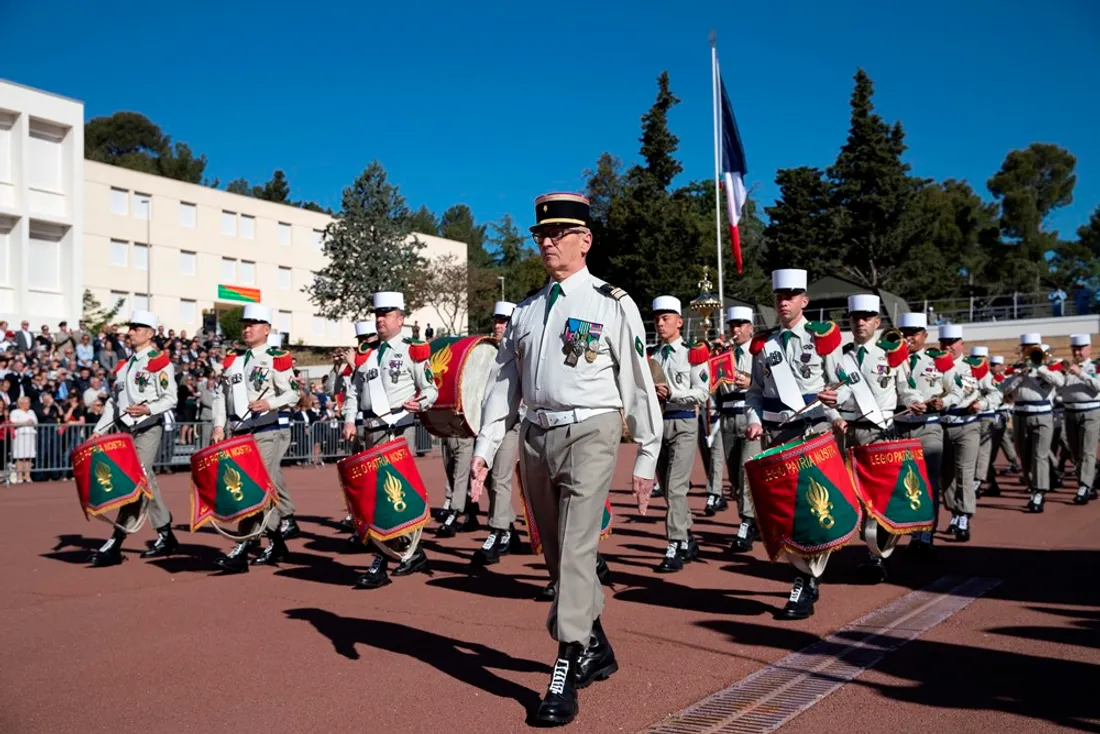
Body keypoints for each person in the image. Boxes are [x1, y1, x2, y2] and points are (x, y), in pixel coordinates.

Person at [470, 192, 661, 727]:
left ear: (585, 240)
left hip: (593, 429)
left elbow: (638, 383)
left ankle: (565, 664)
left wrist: (646, 454)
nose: (548, 242)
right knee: (555, 554)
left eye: (558, 233)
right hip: (535, 434)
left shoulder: (612, 302)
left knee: (578, 548)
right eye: (541, 234)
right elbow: (503, 384)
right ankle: (596, 643)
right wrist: (485, 449)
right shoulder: (527, 310)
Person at [744, 268, 844, 620]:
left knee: (812, 507)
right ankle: (807, 574)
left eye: (791, 296)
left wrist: (835, 396)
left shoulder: (821, 338)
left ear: (804, 300)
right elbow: (754, 393)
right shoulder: (763, 344)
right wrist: (754, 422)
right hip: (776, 436)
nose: (784, 302)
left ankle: (804, 579)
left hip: (812, 432)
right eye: (779, 296)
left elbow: (841, 380)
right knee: (785, 509)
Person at [342, 291, 438, 589]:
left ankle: (382, 560)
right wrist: (349, 419)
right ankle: (412, 552)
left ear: (401, 320)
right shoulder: (367, 352)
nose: (380, 320)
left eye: (387, 315)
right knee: (377, 494)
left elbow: (430, 389)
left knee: (393, 495)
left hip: (398, 426)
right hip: (371, 428)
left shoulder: (413, 351)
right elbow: (355, 392)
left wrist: (419, 403)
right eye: (377, 315)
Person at [834, 295, 923, 579]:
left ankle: (875, 556)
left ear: (877, 322)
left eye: (866, 318)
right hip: (844, 431)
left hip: (879, 431)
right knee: (849, 495)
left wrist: (916, 401)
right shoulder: (839, 355)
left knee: (877, 495)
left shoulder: (891, 354)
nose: (860, 322)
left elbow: (906, 388)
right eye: (855, 318)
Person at [211, 305, 299, 572]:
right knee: (252, 489)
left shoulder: (276, 358)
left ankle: (243, 546)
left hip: (265, 431)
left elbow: (293, 395)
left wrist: (270, 403)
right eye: (245, 324)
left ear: (267, 329)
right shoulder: (233, 359)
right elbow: (219, 397)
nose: (247, 328)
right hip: (237, 433)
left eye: (254, 324)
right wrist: (218, 426)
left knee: (253, 489)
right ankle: (275, 541)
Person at [89, 310, 180, 566]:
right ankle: (166, 534)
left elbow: (171, 398)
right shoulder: (125, 365)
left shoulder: (159, 361)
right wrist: (100, 428)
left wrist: (148, 409)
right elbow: (114, 403)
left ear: (150, 334)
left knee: (135, 481)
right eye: (130, 328)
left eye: (137, 328)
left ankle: (116, 541)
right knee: (146, 480)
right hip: (127, 431)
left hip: (148, 427)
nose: (130, 332)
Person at [650, 295, 709, 573]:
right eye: (657, 319)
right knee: (667, 487)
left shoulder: (692, 353)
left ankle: (674, 543)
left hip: (684, 422)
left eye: (666, 319)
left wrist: (674, 393)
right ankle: (687, 537)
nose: (660, 324)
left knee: (675, 488)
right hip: (659, 424)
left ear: (679, 322)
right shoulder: (654, 355)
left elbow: (703, 392)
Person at [895, 312, 955, 556]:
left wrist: (945, 402)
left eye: (914, 334)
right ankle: (908, 529)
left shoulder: (937, 360)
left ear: (924, 335)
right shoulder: (891, 357)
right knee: (903, 482)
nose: (909, 338)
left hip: (928, 425)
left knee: (928, 481)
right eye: (905, 334)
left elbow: (956, 390)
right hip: (899, 426)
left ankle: (926, 534)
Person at [468, 301, 522, 565]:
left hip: (511, 424)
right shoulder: (487, 352)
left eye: (505, 321)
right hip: (487, 425)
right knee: (488, 479)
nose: (499, 325)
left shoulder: (519, 352)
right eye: (497, 321)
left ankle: (496, 531)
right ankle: (510, 529)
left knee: (499, 478)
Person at [936, 325, 999, 542]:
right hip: (942, 424)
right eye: (944, 342)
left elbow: (995, 393)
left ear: (961, 344)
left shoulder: (974, 367)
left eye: (953, 342)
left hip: (967, 425)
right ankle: (954, 511)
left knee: (964, 472)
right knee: (946, 475)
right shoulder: (933, 365)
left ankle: (964, 516)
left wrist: (982, 403)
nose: (948, 346)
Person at [1001, 333, 1064, 513]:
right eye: (1025, 347)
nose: (1027, 350)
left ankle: (1039, 491)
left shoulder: (1050, 368)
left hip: (1043, 414)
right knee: (1024, 455)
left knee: (1040, 455)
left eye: (1032, 346)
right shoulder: (1015, 370)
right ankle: (1032, 484)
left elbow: (1060, 382)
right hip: (1020, 414)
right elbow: (1003, 388)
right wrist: (1021, 375)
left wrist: (1040, 368)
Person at [720, 306, 761, 553]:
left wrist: (750, 381)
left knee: (747, 471)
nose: (735, 329)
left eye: (741, 324)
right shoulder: (726, 354)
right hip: (728, 416)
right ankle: (750, 520)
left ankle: (746, 523)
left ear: (751, 328)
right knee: (735, 476)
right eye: (732, 325)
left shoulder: (759, 352)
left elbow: (769, 382)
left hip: (751, 416)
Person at [1063, 334, 1099, 505]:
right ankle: (1089, 482)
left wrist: (1081, 373)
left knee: (1087, 450)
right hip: (1070, 411)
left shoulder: (1096, 366)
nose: (1077, 352)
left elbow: (1098, 386)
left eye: (1081, 349)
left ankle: (1083, 486)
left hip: (1090, 411)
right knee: (1075, 452)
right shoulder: (1067, 368)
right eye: (1074, 349)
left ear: (1089, 349)